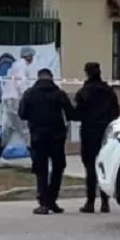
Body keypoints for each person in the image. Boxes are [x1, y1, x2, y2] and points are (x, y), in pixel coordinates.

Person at [18, 67, 77, 215]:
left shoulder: (30, 94)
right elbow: (70, 113)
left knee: (41, 169)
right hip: (57, 137)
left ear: (38, 78)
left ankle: (43, 203)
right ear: (51, 78)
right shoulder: (59, 94)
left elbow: (22, 114)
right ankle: (52, 199)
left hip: (38, 137)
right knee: (58, 167)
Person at [73, 61, 120, 213]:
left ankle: (90, 202)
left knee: (90, 166)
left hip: (89, 132)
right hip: (105, 132)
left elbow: (77, 113)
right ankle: (105, 202)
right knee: (104, 165)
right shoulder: (108, 91)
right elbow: (116, 111)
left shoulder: (84, 92)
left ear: (86, 73)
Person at [0, 46, 37, 160]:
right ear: (28, 56)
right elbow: (21, 84)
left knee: (7, 130)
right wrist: (28, 98)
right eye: (32, 56)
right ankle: (36, 158)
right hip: (16, 101)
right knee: (25, 129)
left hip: (8, 100)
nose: (32, 58)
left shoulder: (15, 66)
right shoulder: (22, 66)